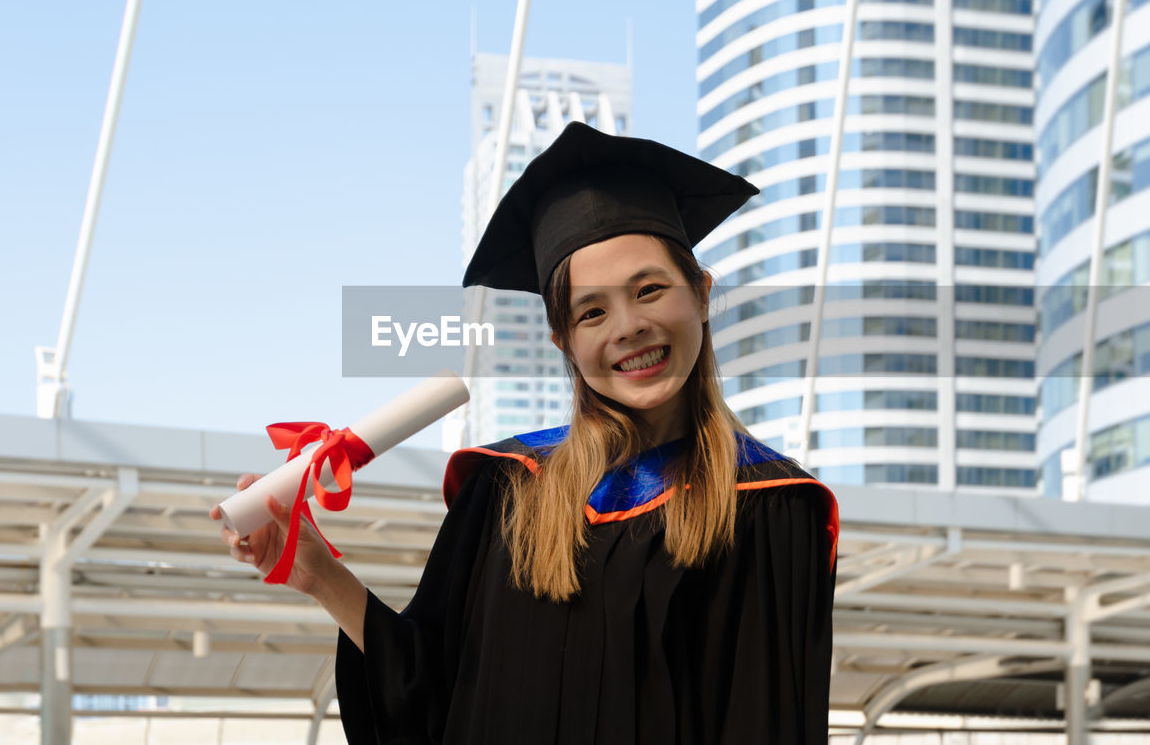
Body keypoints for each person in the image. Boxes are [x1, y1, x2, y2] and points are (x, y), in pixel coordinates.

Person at [213, 122, 839, 743]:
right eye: (591, 311)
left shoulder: (770, 504)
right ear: (564, 339)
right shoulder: (507, 489)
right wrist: (319, 573)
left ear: (701, 294)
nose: (627, 326)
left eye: (649, 290)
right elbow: (431, 697)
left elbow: (768, 723)